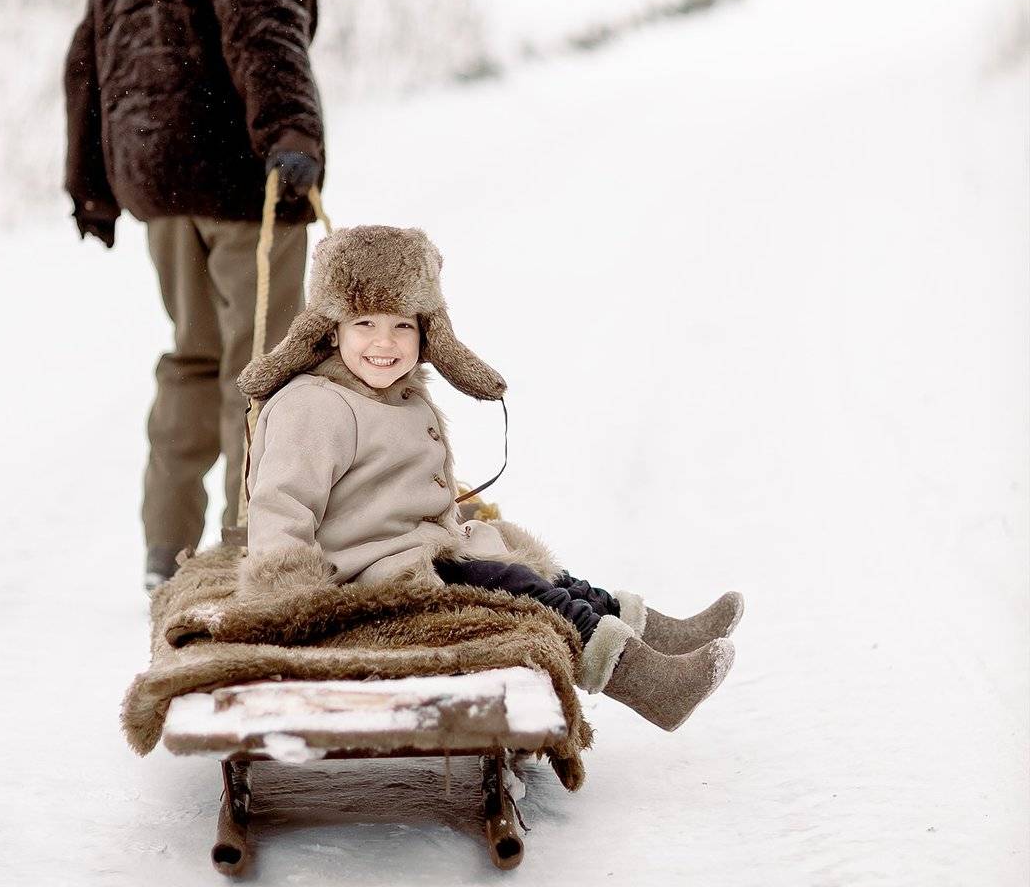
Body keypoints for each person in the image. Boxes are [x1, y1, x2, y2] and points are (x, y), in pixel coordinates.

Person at [236, 225, 742, 730]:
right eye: (364, 323)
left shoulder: (394, 393)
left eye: (403, 325)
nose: (384, 343)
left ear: (427, 332)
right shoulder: (313, 407)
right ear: (332, 330)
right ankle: (650, 684)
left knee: (542, 572)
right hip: (370, 578)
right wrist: (294, 605)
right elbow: (281, 505)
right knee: (520, 589)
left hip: (417, 550)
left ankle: (657, 635)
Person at [62, 0, 344, 592]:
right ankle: (252, 550)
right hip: (241, 178)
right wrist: (291, 131)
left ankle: (169, 552)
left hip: (159, 183)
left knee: (192, 356)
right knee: (267, 370)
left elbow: (91, 49)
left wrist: (92, 178)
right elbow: (264, 20)